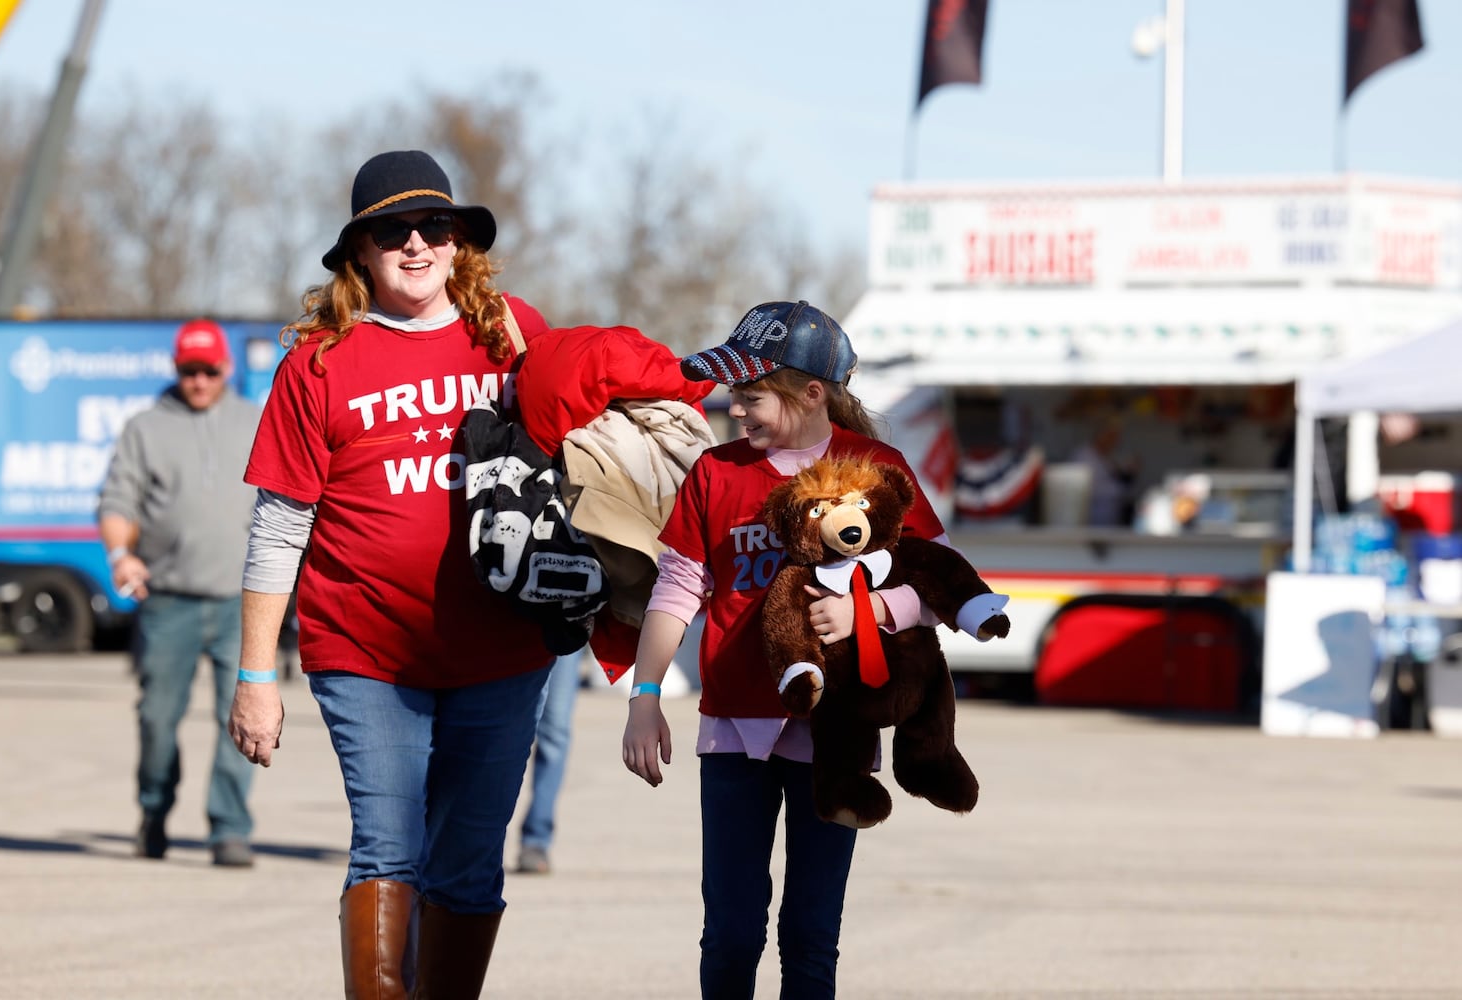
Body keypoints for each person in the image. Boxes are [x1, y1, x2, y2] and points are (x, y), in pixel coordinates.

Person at [227, 149, 559, 1000]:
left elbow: (598, 449)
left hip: (502, 649)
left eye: (434, 226)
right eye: (393, 231)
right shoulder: (320, 362)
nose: (416, 245)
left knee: (472, 861)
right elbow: (279, 524)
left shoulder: (513, 335)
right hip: (364, 649)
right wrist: (257, 674)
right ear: (361, 253)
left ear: (459, 243)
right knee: (388, 849)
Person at [622, 300, 975, 999]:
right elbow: (677, 589)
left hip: (835, 735)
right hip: (732, 732)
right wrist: (645, 694)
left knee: (811, 935)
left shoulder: (876, 468)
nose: (735, 411)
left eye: (751, 397)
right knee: (731, 931)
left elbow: (938, 583)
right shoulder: (716, 473)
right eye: (733, 396)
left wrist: (869, 609)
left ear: (812, 393)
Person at [97, 318, 262, 868]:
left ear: (226, 368)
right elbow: (118, 500)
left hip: (241, 600)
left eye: (208, 370)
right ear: (176, 370)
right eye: (188, 371)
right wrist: (123, 554)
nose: (198, 381)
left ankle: (229, 828)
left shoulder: (254, 421)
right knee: (156, 718)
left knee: (240, 720)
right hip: (168, 600)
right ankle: (154, 807)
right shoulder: (146, 427)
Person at [514, 647, 584, 875]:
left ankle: (536, 839)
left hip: (565, 621)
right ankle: (480, 841)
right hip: (508, 621)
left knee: (556, 730)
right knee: (502, 732)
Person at [1073, 418, 1138, 527]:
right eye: (1111, 437)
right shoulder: (1083, 456)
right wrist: (1122, 486)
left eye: (1116, 438)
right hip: (1091, 522)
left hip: (1110, 521)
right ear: (1101, 436)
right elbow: (1091, 490)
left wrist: (1128, 473)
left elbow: (1115, 479)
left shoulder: (1105, 458)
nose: (1115, 442)